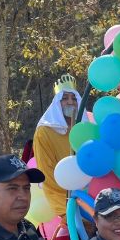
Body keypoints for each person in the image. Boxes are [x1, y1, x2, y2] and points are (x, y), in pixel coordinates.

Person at [33, 74, 83, 216]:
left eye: (74, 98)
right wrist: (70, 200)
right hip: (61, 194)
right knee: (81, 217)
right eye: (65, 98)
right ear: (57, 103)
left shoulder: (84, 129)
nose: (70, 102)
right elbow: (47, 175)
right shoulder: (44, 132)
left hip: (89, 192)